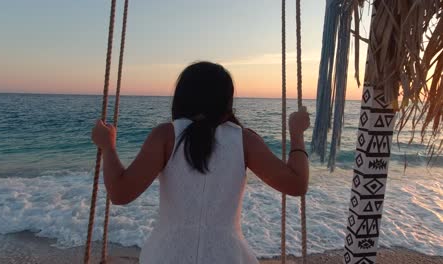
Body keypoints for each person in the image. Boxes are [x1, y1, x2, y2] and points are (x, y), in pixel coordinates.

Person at [91, 61, 310, 264]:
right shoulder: (243, 140)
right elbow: (297, 184)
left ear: (182, 97)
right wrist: (296, 133)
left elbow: (120, 193)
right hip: (226, 255)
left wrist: (108, 147)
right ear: (226, 101)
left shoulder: (166, 136)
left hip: (166, 255)